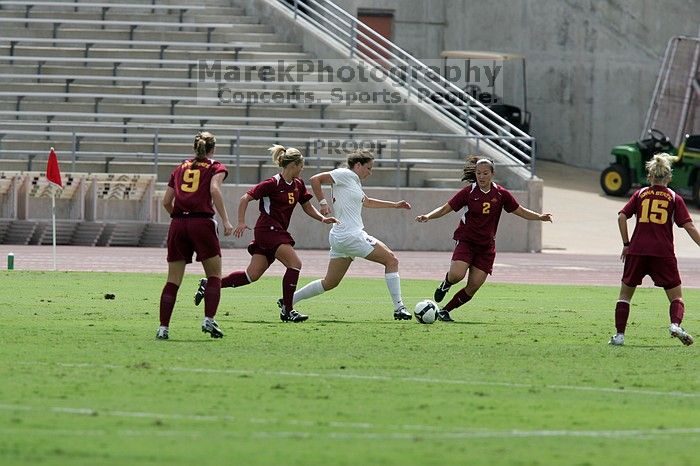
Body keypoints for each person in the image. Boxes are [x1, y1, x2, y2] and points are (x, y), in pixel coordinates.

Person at [194, 145, 337, 322]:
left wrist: (322, 219)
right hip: (268, 230)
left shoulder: (298, 184)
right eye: (301, 165)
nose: (302, 169)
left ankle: (209, 284)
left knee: (251, 275)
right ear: (293, 165)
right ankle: (287, 309)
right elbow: (245, 198)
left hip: (275, 232)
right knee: (295, 264)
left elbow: (307, 206)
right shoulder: (273, 183)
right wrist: (240, 221)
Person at [415, 156, 553, 321]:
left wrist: (540, 216)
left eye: (485, 173)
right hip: (466, 241)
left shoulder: (501, 194)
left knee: (473, 287)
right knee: (457, 275)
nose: (481, 177)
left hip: (486, 247)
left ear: (492, 174)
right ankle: (446, 283)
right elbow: (446, 208)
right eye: (478, 173)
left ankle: (445, 311)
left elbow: (520, 210)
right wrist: (428, 216)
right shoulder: (468, 192)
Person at [288, 149, 414, 320]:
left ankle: (288, 300)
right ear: (358, 165)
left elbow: (367, 202)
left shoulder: (353, 181)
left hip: (341, 237)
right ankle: (399, 308)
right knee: (391, 260)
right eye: (368, 168)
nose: (370, 172)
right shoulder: (344, 174)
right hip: (351, 235)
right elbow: (315, 179)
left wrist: (395, 205)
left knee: (330, 282)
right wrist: (323, 204)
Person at [609, 153, 700, 346]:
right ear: (669, 177)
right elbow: (689, 227)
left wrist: (626, 244)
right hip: (663, 252)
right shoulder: (674, 198)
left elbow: (621, 217)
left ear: (649, 176)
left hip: (637, 250)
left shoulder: (640, 194)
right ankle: (675, 324)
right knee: (676, 296)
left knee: (625, 295)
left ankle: (619, 336)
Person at [157, 131, 234, 340]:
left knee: (173, 280)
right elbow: (215, 190)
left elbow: (165, 202)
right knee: (214, 276)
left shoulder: (179, 167)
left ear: (194, 148)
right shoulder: (215, 167)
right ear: (213, 148)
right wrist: (226, 220)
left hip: (178, 223)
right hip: (202, 223)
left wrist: (179, 217)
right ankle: (208, 320)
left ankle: (163, 328)